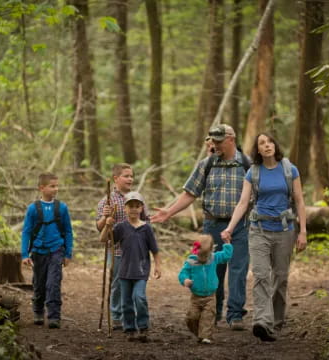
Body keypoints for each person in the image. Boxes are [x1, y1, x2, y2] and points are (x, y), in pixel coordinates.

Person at [152, 124, 250, 330]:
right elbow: (190, 193)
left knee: (238, 269)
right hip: (212, 225)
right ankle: (213, 312)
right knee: (212, 268)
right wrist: (169, 212)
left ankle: (235, 315)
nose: (214, 145)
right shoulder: (207, 164)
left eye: (219, 141)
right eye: (212, 141)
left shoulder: (247, 164)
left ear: (231, 139)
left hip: (241, 225)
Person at [221, 132, 307, 342]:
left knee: (281, 277)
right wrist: (230, 228)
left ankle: (276, 323)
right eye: (262, 143)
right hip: (258, 230)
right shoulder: (253, 172)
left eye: (270, 142)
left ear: (275, 146)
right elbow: (243, 203)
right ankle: (262, 321)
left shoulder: (290, 169)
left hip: (285, 231)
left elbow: (299, 201)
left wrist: (303, 231)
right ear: (257, 150)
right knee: (261, 276)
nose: (267, 145)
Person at [96, 163, 148, 330]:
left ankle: (130, 315)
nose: (130, 179)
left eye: (132, 176)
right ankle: (116, 316)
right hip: (116, 249)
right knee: (118, 282)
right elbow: (99, 227)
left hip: (136, 250)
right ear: (116, 179)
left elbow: (146, 219)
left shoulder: (137, 198)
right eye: (126, 176)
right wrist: (105, 218)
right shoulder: (107, 201)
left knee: (135, 281)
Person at [104, 191, 161, 342]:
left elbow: (154, 249)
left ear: (142, 208)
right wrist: (107, 224)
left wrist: (158, 266)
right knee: (126, 302)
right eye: (131, 206)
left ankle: (143, 326)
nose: (134, 209)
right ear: (125, 208)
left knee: (139, 297)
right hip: (124, 270)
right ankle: (129, 328)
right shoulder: (121, 227)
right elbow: (104, 240)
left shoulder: (146, 228)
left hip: (141, 270)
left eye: (137, 206)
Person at [21, 172, 73, 329]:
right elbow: (26, 232)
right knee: (39, 284)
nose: (56, 189)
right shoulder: (33, 209)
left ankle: (54, 316)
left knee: (53, 283)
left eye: (57, 186)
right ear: (41, 188)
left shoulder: (62, 208)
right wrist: (24, 254)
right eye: (52, 186)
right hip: (38, 251)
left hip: (56, 250)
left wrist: (68, 253)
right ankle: (37, 311)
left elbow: (68, 231)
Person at [178, 234, 233, 344]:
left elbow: (226, 256)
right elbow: (182, 273)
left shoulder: (213, 258)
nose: (203, 258)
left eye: (205, 255)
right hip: (196, 297)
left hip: (210, 296)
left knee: (208, 316)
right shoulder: (191, 261)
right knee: (191, 317)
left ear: (211, 250)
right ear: (196, 250)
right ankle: (199, 333)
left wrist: (227, 244)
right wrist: (185, 280)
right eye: (201, 255)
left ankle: (206, 336)